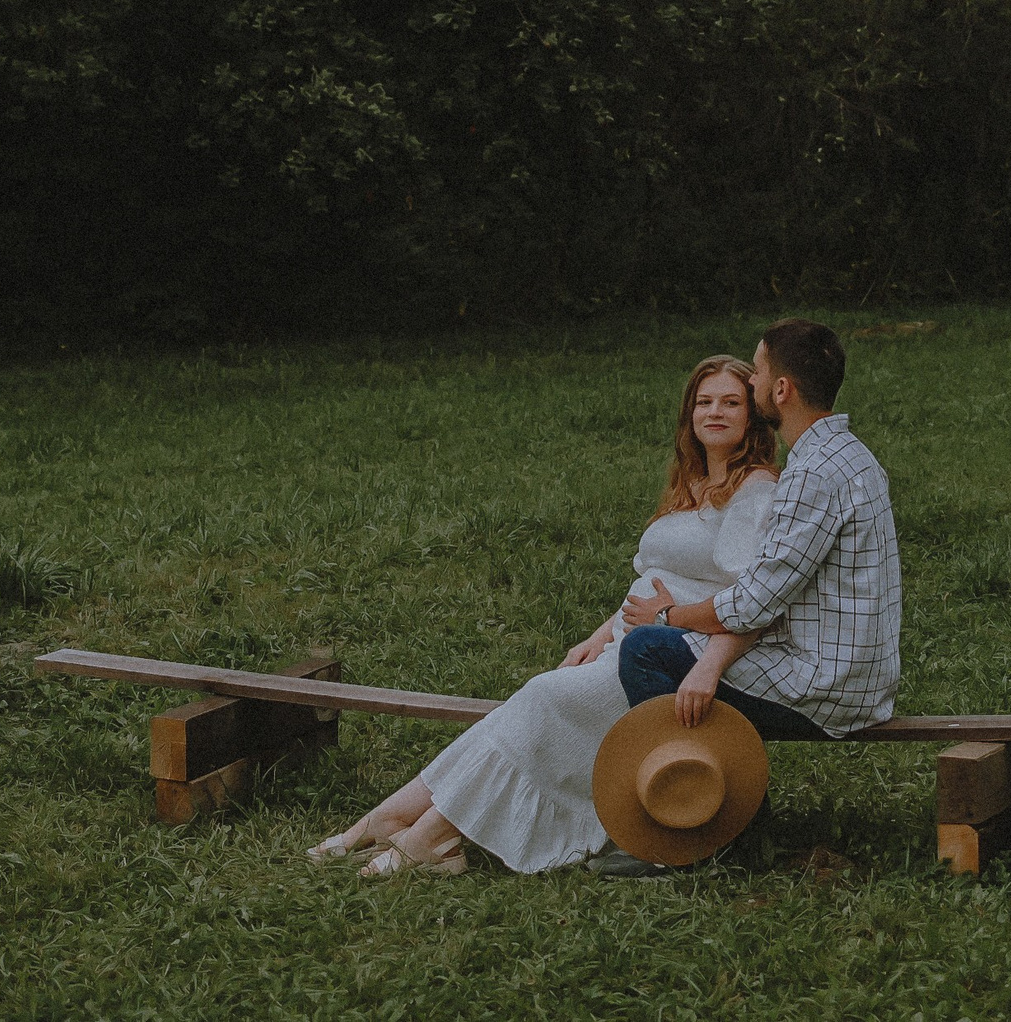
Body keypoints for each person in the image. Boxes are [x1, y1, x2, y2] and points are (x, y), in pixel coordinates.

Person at [305, 355, 781, 875]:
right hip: (628, 642)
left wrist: (707, 666)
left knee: (541, 699)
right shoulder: (689, 482)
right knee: (518, 711)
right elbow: (651, 578)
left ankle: (427, 839)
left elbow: (753, 601)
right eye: (704, 401)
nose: (714, 412)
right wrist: (598, 635)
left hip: (677, 655)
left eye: (731, 402)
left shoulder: (755, 492)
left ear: (752, 417)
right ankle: (385, 820)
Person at [616, 316, 902, 748]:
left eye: (758, 373)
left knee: (645, 650)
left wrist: (667, 616)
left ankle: (703, 802)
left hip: (825, 688)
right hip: (861, 678)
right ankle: (732, 796)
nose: (751, 383)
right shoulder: (853, 456)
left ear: (782, 390)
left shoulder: (812, 475)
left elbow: (752, 605)